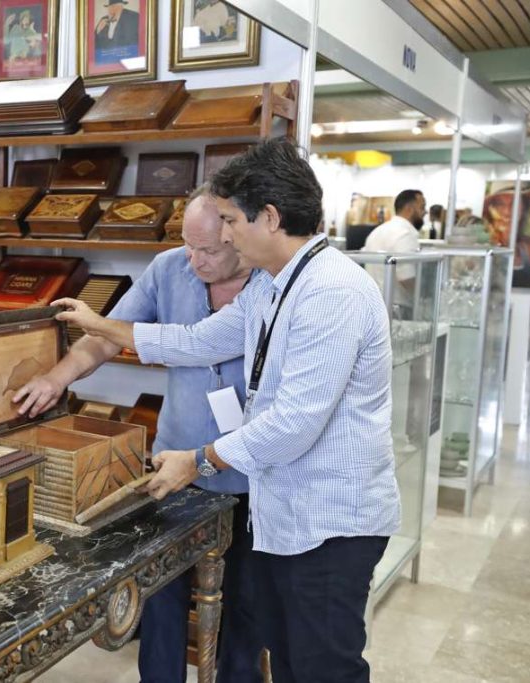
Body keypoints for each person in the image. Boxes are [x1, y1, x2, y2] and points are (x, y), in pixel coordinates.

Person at [52, 138, 400, 683]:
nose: (228, 234)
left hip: (330, 523)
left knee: (322, 667)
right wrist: (103, 327)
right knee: (288, 659)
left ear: (269, 217)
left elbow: (293, 425)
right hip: (288, 514)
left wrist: (199, 459)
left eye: (232, 220)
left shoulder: (331, 292)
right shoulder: (274, 286)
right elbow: (198, 341)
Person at [14, 187, 263, 683]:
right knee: (162, 590)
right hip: (175, 464)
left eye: (209, 250)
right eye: (188, 246)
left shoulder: (271, 283)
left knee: (247, 602)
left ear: (240, 234)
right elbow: (105, 338)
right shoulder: (169, 267)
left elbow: (178, 343)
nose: (194, 261)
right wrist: (56, 378)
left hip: (252, 470)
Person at [363, 188, 424, 254]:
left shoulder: (375, 232)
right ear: (409, 209)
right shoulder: (405, 235)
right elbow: (409, 264)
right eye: (422, 207)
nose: (425, 212)